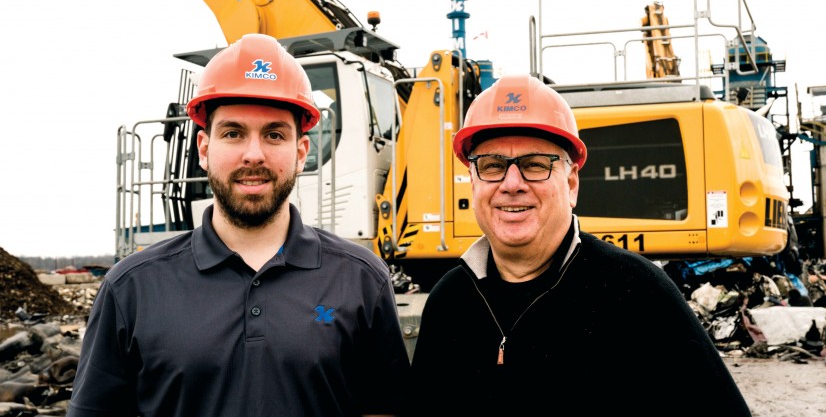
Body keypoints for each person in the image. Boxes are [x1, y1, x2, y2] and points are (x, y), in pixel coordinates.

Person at [68, 33, 409, 417]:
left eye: (274, 135)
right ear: (204, 149)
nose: (253, 154)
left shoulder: (360, 280)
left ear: (301, 153)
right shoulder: (131, 288)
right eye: (233, 133)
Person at [407, 74, 752, 416]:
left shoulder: (638, 294)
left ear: (571, 184)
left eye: (534, 165)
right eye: (492, 166)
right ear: (473, 182)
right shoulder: (449, 302)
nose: (512, 184)